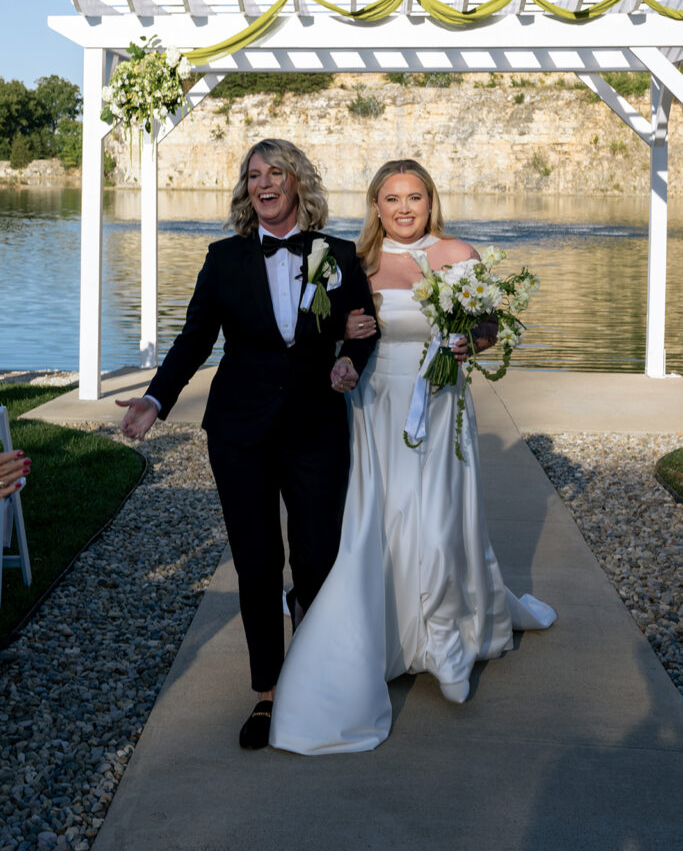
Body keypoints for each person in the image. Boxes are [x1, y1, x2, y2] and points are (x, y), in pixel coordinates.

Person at [270, 159, 556, 754]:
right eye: (392, 198)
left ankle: (447, 642)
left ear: (431, 201)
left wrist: (468, 340)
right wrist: (343, 341)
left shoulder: (458, 254)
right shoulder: (352, 261)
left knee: (439, 521)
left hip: (442, 403)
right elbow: (323, 335)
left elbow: (487, 330)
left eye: (415, 197)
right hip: (376, 407)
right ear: (375, 204)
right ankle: (387, 636)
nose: (404, 208)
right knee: (386, 521)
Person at [117, 139, 378, 750]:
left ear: (298, 185)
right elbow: (194, 340)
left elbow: (363, 327)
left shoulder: (337, 255)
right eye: (254, 175)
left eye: (276, 174)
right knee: (256, 560)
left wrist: (350, 363)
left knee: (317, 555)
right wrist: (156, 400)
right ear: (246, 189)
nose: (264, 184)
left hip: (316, 427)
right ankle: (268, 690)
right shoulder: (223, 259)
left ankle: (315, 671)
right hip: (239, 432)